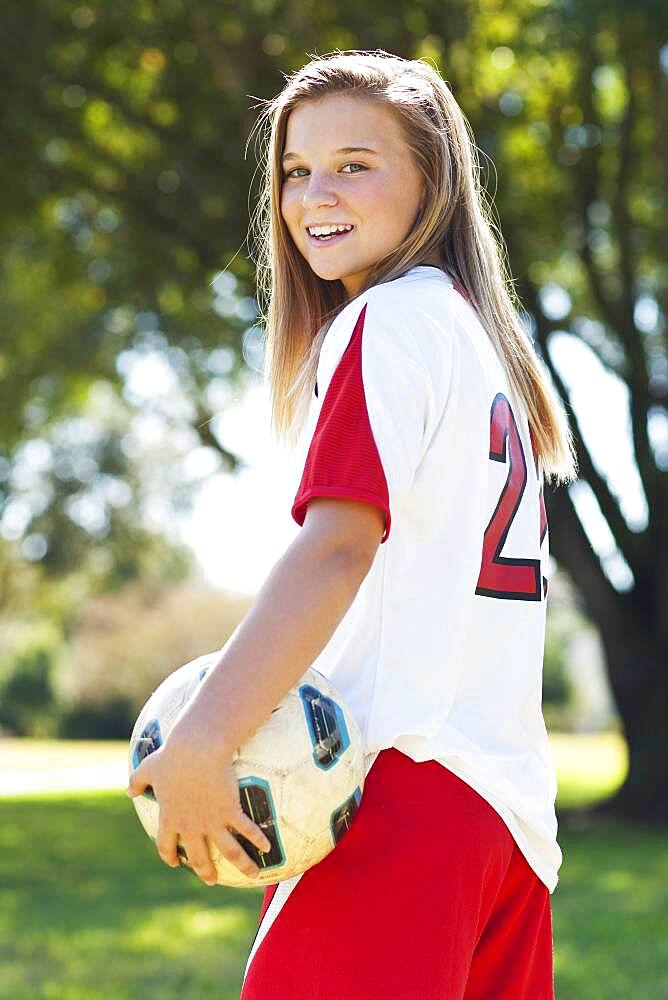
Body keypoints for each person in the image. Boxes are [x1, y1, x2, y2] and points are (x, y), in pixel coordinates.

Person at [127, 49, 577, 999]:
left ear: (435, 181)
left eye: (356, 164)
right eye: (296, 170)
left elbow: (336, 544)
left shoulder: (389, 321)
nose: (313, 193)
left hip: (392, 801)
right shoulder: (488, 349)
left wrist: (208, 738)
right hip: (506, 828)